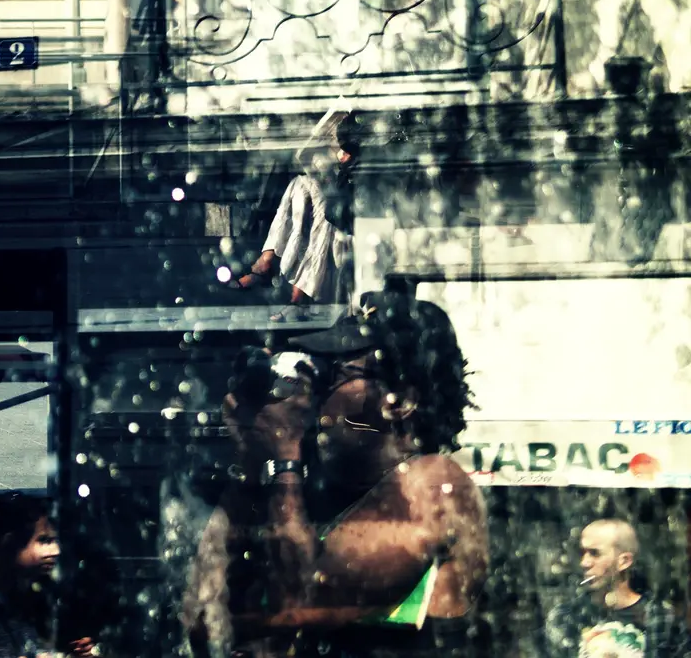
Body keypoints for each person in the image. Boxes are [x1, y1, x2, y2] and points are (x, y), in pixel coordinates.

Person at [184, 290, 489, 658]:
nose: (313, 392)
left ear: (400, 402)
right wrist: (251, 462)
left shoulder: (433, 485)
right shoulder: (308, 492)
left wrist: (284, 454)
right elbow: (202, 619)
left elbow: (299, 607)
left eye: (333, 373)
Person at [0, 492, 97, 658]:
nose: (56, 551)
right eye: (44, 540)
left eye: (55, 541)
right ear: (9, 544)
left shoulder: (16, 596)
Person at [237, 103, 358, 315]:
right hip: (336, 186)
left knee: (321, 205)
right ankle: (271, 264)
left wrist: (345, 161)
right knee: (300, 184)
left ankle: (286, 286)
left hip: (352, 200)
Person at [543, 518, 691, 657]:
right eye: (582, 553)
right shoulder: (566, 617)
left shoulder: (661, 617)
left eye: (595, 553)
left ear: (624, 561)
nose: (584, 563)